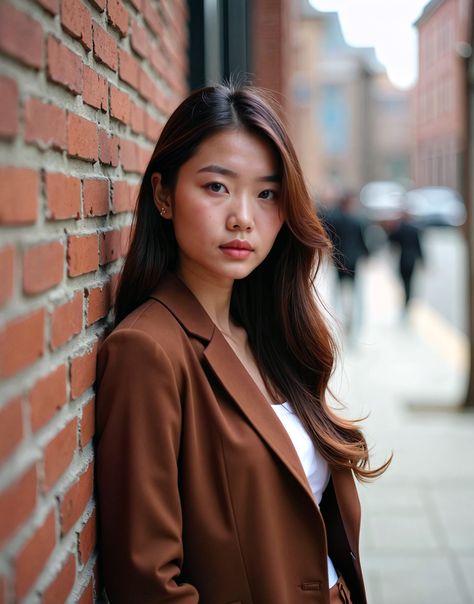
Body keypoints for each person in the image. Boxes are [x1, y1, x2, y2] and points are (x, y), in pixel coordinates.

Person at [95, 84, 389, 604]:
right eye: (216, 187)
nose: (243, 218)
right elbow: (147, 584)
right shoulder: (149, 351)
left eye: (267, 193)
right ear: (163, 195)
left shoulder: (269, 335)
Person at [321, 193, 369, 337]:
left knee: (338, 289)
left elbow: (327, 238)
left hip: (339, 259)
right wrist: (366, 255)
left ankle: (339, 316)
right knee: (355, 291)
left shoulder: (333, 219)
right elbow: (362, 241)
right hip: (353, 260)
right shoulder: (356, 220)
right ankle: (351, 318)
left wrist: (327, 255)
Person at [385, 214, 423, 309]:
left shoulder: (399, 229)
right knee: (409, 280)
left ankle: (406, 297)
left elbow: (391, 240)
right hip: (412, 258)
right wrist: (422, 259)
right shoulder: (414, 230)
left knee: (403, 279)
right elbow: (418, 246)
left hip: (403, 258)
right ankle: (408, 297)